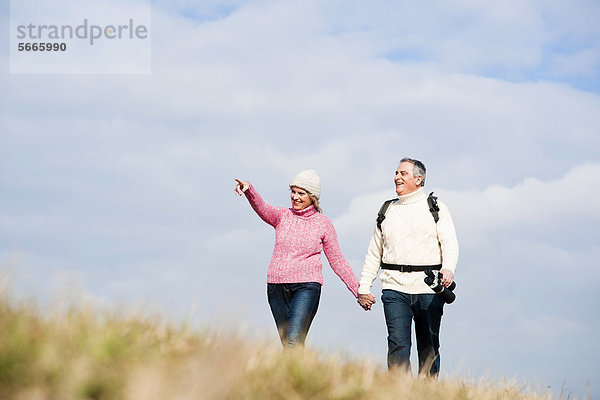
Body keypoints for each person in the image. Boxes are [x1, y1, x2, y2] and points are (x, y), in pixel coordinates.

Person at [234, 169, 366, 347]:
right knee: (288, 343)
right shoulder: (282, 216)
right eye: (293, 192)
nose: (295, 197)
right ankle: (297, 374)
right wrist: (249, 190)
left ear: (312, 197)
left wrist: (358, 291)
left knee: (293, 342)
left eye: (301, 193)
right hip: (276, 287)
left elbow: (337, 261)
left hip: (306, 287)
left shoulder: (323, 224)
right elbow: (263, 208)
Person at [357, 158, 459, 377]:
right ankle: (399, 392)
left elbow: (450, 242)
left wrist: (448, 268)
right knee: (397, 346)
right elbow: (374, 252)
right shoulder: (387, 209)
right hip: (394, 288)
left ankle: (427, 392)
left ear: (418, 179)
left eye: (403, 173)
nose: (397, 177)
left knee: (428, 346)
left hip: (428, 289)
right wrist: (364, 286)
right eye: (396, 173)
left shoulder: (436, 207)